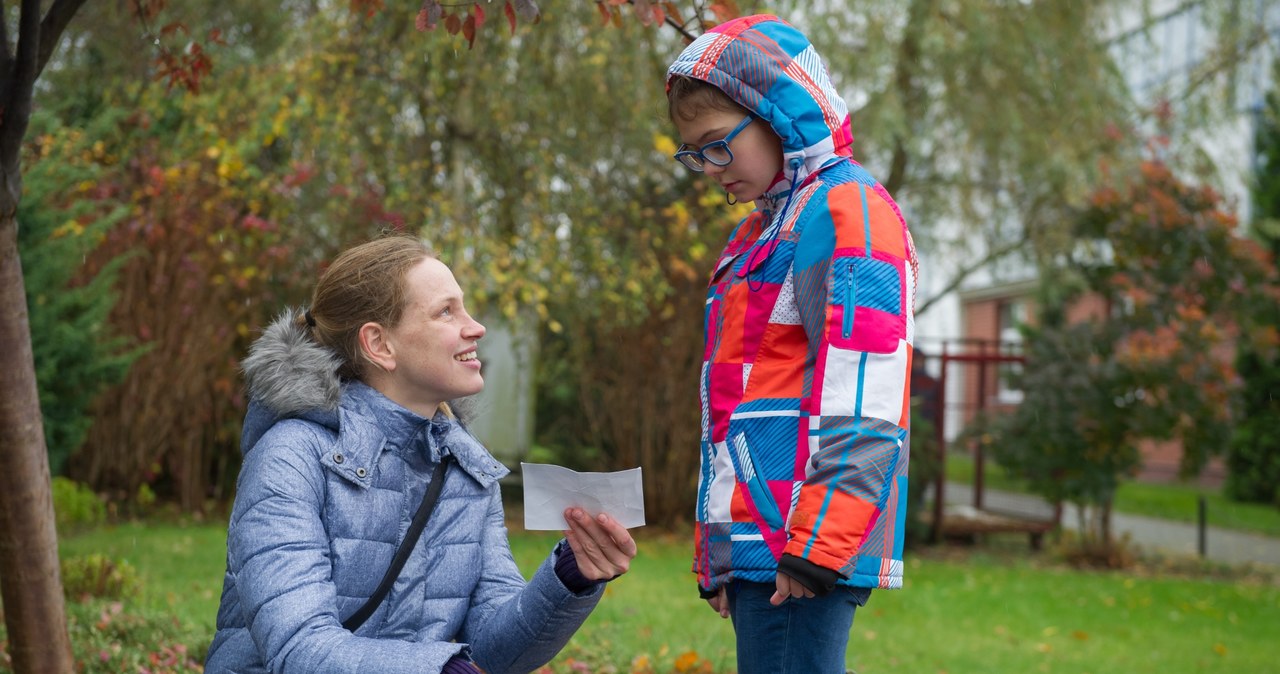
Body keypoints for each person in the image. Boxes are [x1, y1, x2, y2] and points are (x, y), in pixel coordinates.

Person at [205, 234, 637, 674]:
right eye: (446, 311)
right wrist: (443, 669)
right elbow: (299, 648)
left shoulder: (463, 466)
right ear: (379, 345)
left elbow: (492, 649)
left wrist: (569, 576)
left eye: (463, 307)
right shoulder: (288, 459)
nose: (476, 327)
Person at [665, 14, 917, 674]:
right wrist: (722, 550)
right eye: (694, 154)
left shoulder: (848, 214)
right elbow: (738, 403)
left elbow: (866, 391)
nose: (709, 169)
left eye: (718, 144)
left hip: (802, 544)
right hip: (768, 539)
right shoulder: (761, 233)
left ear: (780, 114)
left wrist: (819, 544)